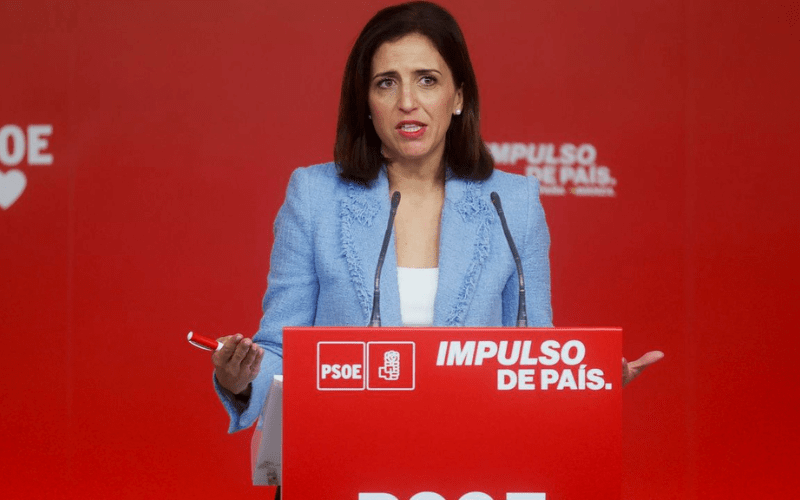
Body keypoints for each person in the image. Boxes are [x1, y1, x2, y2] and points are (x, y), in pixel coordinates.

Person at [211, 1, 662, 433]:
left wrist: (589, 385)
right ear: (366, 102)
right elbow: (279, 350)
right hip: (346, 449)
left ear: (458, 96)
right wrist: (241, 379)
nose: (408, 101)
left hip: (475, 455)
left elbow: (533, 358)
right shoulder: (314, 196)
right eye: (386, 83)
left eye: (427, 80)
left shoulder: (512, 202)